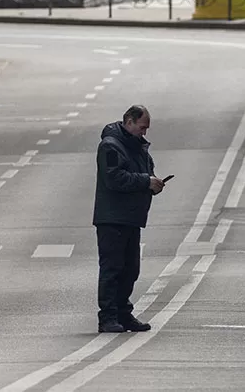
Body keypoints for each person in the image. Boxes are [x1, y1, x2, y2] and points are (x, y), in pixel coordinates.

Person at [93, 105, 164, 334]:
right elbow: (114, 178)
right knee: (113, 269)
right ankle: (108, 317)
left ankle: (123, 313)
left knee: (130, 269)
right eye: (142, 127)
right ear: (129, 121)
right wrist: (145, 181)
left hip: (131, 217)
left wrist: (153, 184)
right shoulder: (111, 146)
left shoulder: (136, 146)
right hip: (113, 218)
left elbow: (145, 169)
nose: (144, 133)